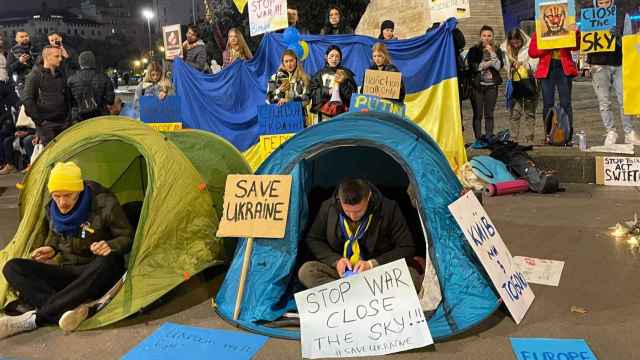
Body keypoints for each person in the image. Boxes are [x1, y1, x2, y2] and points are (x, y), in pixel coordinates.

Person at [0, 162, 132, 339]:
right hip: (69, 271)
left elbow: (127, 237)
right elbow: (55, 237)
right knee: (12, 267)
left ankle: (35, 319)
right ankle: (72, 308)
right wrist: (52, 248)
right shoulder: (51, 208)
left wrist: (110, 245)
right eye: (57, 196)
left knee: (108, 261)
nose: (62, 202)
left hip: (97, 272)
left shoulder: (104, 203)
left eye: (68, 195)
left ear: (78, 190)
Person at [298, 179, 421, 291]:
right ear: (339, 200)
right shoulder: (328, 207)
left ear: (369, 197)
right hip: (343, 274)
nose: (353, 216)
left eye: (358, 211)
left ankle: (350, 296)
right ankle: (354, 295)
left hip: (378, 275)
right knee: (306, 271)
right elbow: (313, 239)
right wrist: (336, 261)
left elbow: (407, 247)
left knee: (411, 277)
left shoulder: (389, 209)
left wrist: (372, 264)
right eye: (347, 211)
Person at [588, 1, 640, 145]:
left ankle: (629, 132)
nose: (604, 5)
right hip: (598, 64)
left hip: (619, 63)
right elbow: (584, 42)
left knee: (624, 100)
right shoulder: (589, 17)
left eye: (606, 2)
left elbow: (629, 41)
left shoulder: (622, 16)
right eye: (601, 2)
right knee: (604, 101)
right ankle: (611, 131)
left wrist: (618, 37)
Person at [529, 26, 579, 144]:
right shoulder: (540, 30)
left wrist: (576, 32)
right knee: (547, 104)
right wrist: (549, 47)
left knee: (566, 103)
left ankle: (567, 135)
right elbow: (532, 52)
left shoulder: (566, 28)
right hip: (547, 69)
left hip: (563, 67)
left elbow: (576, 46)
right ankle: (549, 135)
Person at [21, 46, 72, 147]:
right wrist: (41, 122)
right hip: (47, 127)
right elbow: (27, 101)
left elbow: (68, 98)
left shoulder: (60, 75)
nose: (60, 59)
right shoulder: (34, 76)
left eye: (60, 56)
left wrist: (69, 118)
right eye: (57, 56)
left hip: (64, 124)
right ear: (47, 57)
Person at [501, 28, 539, 144]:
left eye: (517, 42)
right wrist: (511, 67)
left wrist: (523, 65)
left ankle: (529, 138)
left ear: (522, 39)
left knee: (529, 112)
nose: (516, 45)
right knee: (515, 112)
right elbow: (505, 66)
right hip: (514, 83)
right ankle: (513, 138)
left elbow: (535, 63)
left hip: (529, 81)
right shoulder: (505, 49)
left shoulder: (530, 46)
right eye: (513, 43)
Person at [466, 25, 504, 141]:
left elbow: (498, 66)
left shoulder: (497, 50)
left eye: (489, 36)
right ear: (480, 37)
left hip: (491, 86)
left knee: (489, 113)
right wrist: (489, 63)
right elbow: (475, 67)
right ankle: (478, 138)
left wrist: (492, 53)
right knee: (478, 114)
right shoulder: (474, 50)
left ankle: (489, 136)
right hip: (477, 86)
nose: (487, 38)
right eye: (484, 36)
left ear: (492, 37)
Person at [309, 45, 357, 122]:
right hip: (324, 114)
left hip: (343, 113)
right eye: (331, 56)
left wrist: (343, 83)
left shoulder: (347, 74)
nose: (334, 59)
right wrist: (327, 91)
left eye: (337, 56)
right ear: (326, 57)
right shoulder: (319, 74)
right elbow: (312, 92)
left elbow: (353, 96)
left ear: (340, 58)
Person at [67, 51, 115, 122]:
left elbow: (68, 101)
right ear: (93, 62)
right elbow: (110, 100)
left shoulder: (71, 79)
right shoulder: (104, 77)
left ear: (80, 63)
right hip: (100, 116)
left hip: (79, 118)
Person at [7, 31, 36, 97]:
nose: (25, 38)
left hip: (36, 81)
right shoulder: (12, 51)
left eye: (26, 36)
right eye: (22, 37)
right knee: (28, 104)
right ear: (16, 39)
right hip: (23, 83)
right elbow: (9, 69)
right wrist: (19, 61)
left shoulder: (33, 48)